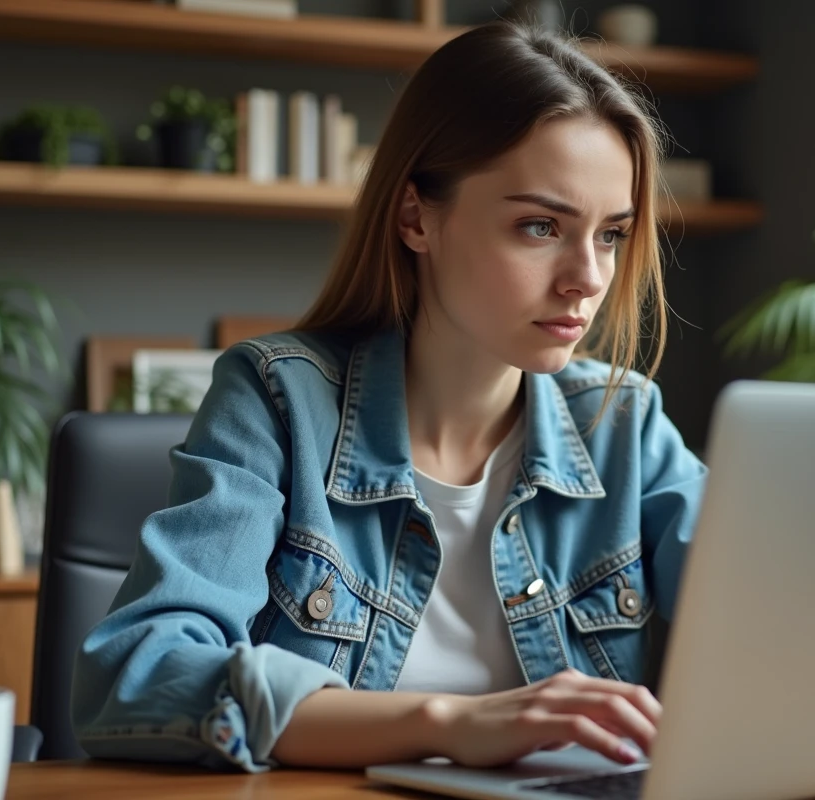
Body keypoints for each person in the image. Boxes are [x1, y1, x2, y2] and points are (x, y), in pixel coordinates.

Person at [72, 19, 707, 773]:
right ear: (416, 218)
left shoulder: (623, 422)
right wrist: (447, 724)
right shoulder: (276, 403)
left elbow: (776, 617)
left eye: (610, 235)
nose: (589, 278)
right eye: (540, 226)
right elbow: (136, 672)